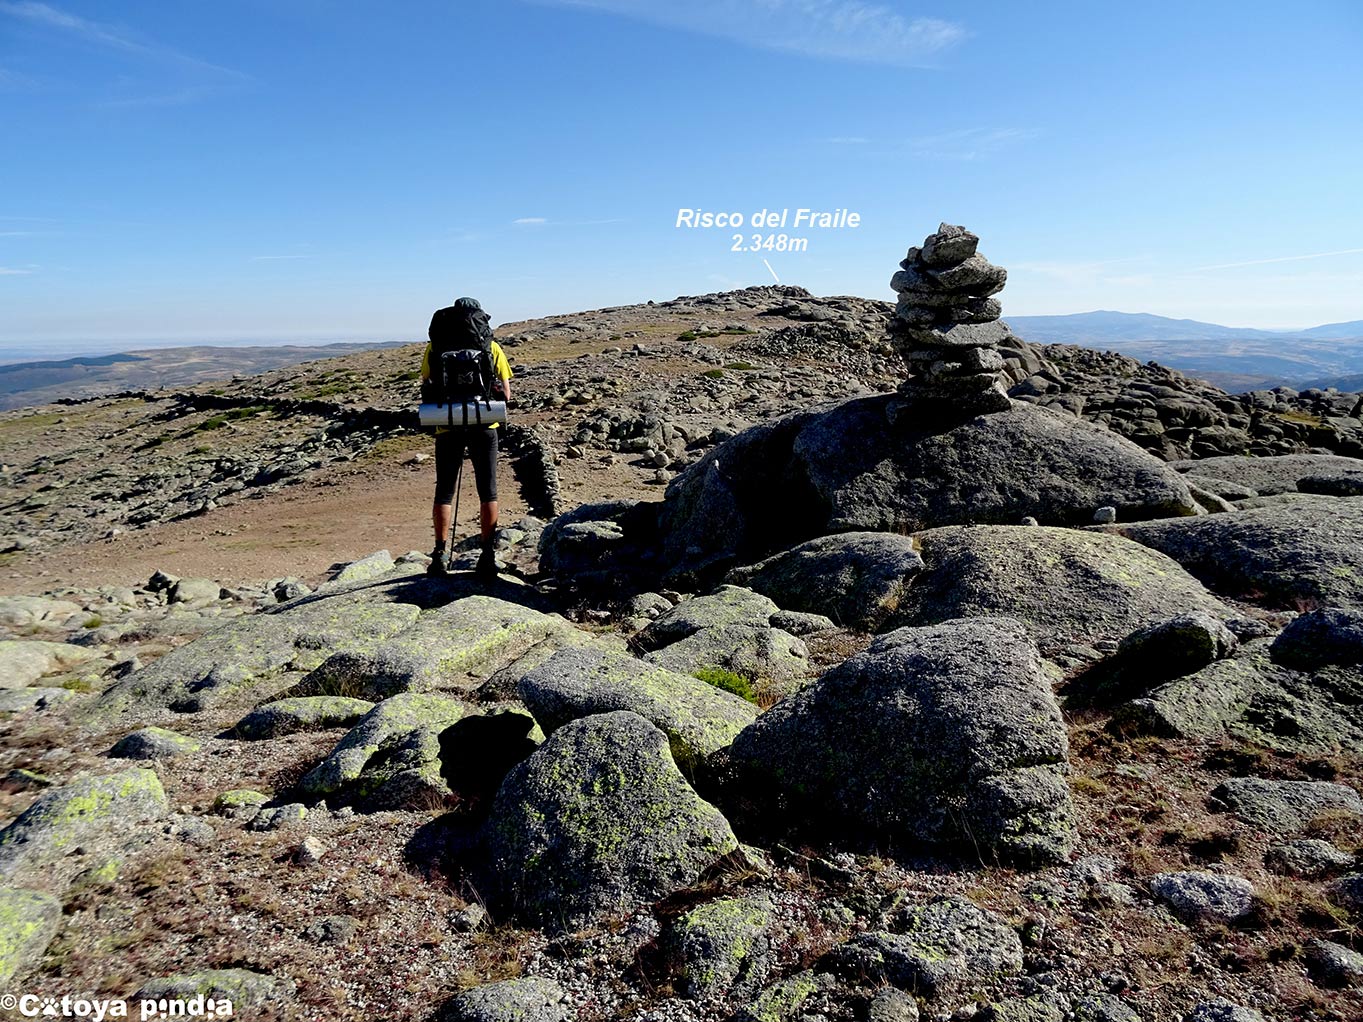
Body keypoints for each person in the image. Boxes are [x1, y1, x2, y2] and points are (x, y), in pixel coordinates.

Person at [420, 297, 513, 579]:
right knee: (489, 490)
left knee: (444, 491)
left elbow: (426, 386)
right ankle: (487, 555)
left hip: (446, 425)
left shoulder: (435, 347)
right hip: (484, 423)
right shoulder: (491, 347)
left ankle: (439, 555)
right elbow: (506, 396)